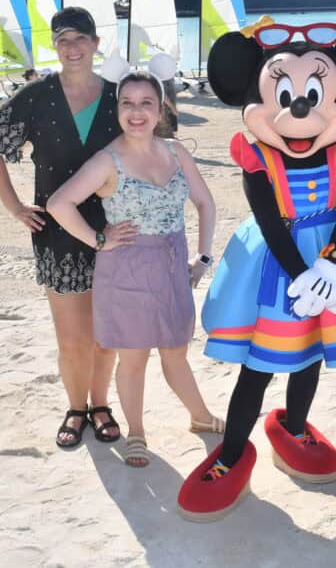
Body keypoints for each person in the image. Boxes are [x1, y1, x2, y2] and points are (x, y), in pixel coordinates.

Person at [177, 24, 336, 521]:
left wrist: (333, 266)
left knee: (313, 350)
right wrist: (303, 274)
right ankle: (233, 453)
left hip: (333, 263)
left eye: (314, 94)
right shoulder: (256, 154)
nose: (300, 109)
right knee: (260, 363)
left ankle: (294, 426)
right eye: (285, 94)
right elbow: (269, 220)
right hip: (280, 267)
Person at [48, 54, 223, 468]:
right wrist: (97, 239)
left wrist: (203, 255)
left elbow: (206, 202)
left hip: (172, 263)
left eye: (146, 103)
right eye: (127, 103)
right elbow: (60, 203)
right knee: (135, 357)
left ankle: (200, 416)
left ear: (160, 109)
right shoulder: (108, 160)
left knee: (176, 350)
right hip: (125, 269)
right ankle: (137, 433)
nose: (136, 112)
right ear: (118, 109)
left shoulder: (176, 151)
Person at [0, 7, 123, 449]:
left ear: (97, 44)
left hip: (115, 233)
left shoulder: (120, 96)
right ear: (56, 47)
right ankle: (76, 408)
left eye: (81, 39)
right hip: (57, 235)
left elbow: (159, 144)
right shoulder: (37, 95)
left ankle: (101, 405)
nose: (73, 48)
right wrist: (15, 207)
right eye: (63, 41)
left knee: (106, 334)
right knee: (72, 338)